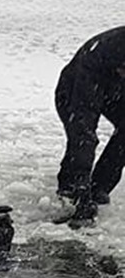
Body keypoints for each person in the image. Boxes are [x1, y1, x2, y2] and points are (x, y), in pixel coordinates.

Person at [54, 26, 125, 224]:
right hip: (72, 90)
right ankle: (71, 190)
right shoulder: (96, 59)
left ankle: (99, 187)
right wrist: (81, 189)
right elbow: (82, 131)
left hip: (116, 90)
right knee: (81, 138)